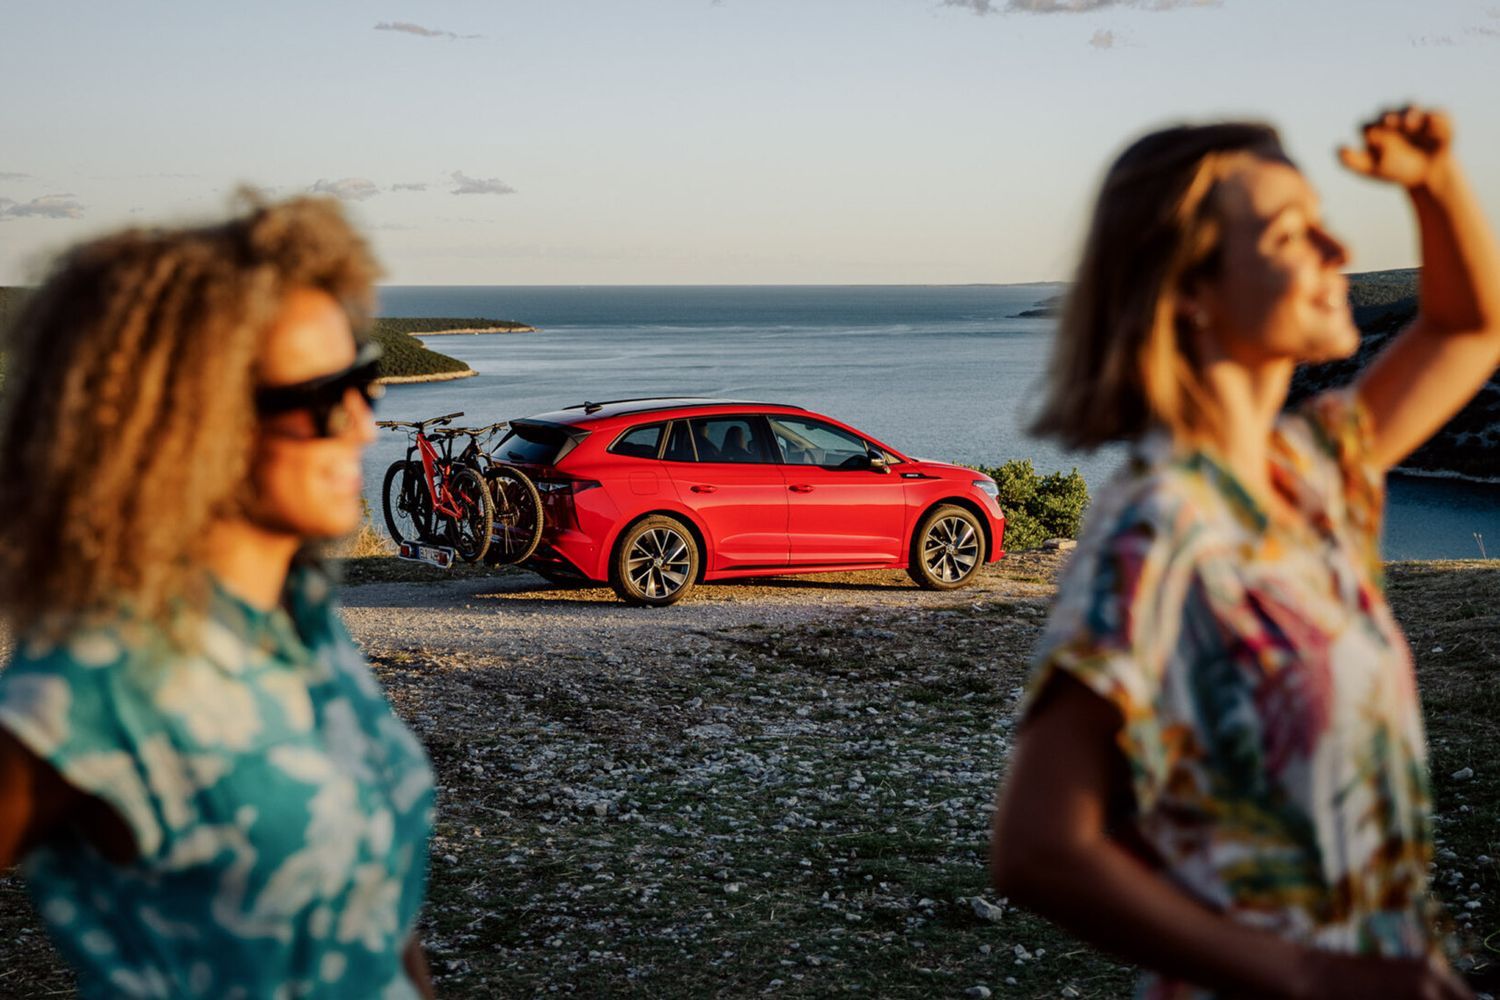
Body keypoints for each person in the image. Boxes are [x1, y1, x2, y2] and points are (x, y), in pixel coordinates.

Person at [990, 106, 1498, 999]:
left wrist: (1435, 181)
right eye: (1294, 233)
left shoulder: (1311, 473)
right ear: (1188, 285)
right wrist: (1310, 978)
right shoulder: (1159, 525)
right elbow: (1039, 846)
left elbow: (1466, 331)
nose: (1339, 250)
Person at [0, 196, 437, 998]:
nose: (363, 428)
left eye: (364, 381)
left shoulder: (302, 623)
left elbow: (375, 918)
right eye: (320, 401)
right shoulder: (94, 682)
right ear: (189, 428)